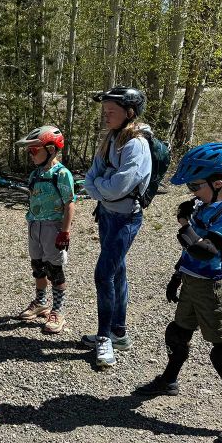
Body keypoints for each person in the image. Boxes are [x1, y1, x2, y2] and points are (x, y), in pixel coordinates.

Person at [134, 143, 222, 443]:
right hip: (193, 283)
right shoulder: (205, 205)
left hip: (214, 289)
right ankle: (169, 381)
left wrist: (183, 227)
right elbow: (191, 253)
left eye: (195, 185)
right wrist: (177, 275)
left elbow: (206, 251)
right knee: (177, 333)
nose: (191, 191)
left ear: (218, 183)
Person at [82, 86, 152, 368]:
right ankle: (118, 333)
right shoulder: (110, 139)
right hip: (108, 215)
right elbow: (92, 179)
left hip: (126, 218)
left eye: (111, 111)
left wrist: (100, 186)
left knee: (104, 274)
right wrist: (102, 187)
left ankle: (104, 338)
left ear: (129, 113)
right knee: (117, 271)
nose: (106, 115)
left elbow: (119, 185)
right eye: (105, 111)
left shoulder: (136, 144)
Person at [14, 126, 76, 334]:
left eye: (34, 150)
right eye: (29, 151)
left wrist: (64, 232)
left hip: (53, 227)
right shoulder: (35, 174)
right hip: (35, 226)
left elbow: (69, 203)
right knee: (38, 266)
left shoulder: (62, 173)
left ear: (50, 149)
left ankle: (58, 311)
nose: (31, 155)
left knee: (55, 270)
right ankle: (41, 302)